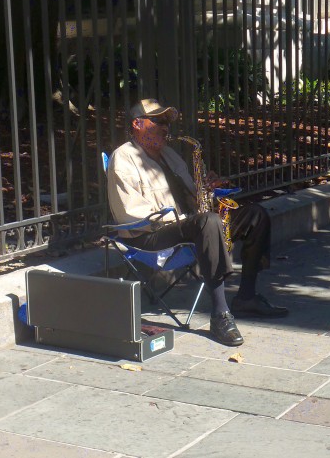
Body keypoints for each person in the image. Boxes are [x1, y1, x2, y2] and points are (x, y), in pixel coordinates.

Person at [107, 98, 289, 347]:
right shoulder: (123, 158)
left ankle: (246, 296)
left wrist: (207, 190)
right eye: (157, 121)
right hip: (149, 234)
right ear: (137, 124)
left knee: (256, 215)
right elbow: (131, 213)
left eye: (166, 122)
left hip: (189, 224)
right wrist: (187, 218)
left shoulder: (170, 156)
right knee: (209, 223)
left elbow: (193, 197)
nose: (165, 127)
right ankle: (220, 314)